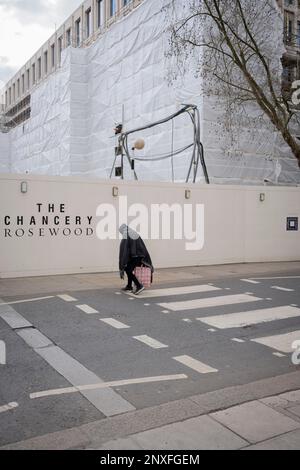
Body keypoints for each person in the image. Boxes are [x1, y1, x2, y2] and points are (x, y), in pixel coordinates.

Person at [119, 224, 154, 295]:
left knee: (128, 269)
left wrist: (122, 262)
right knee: (129, 269)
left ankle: (139, 286)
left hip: (136, 256)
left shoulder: (126, 234)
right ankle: (129, 286)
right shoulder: (133, 232)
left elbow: (124, 250)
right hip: (139, 255)